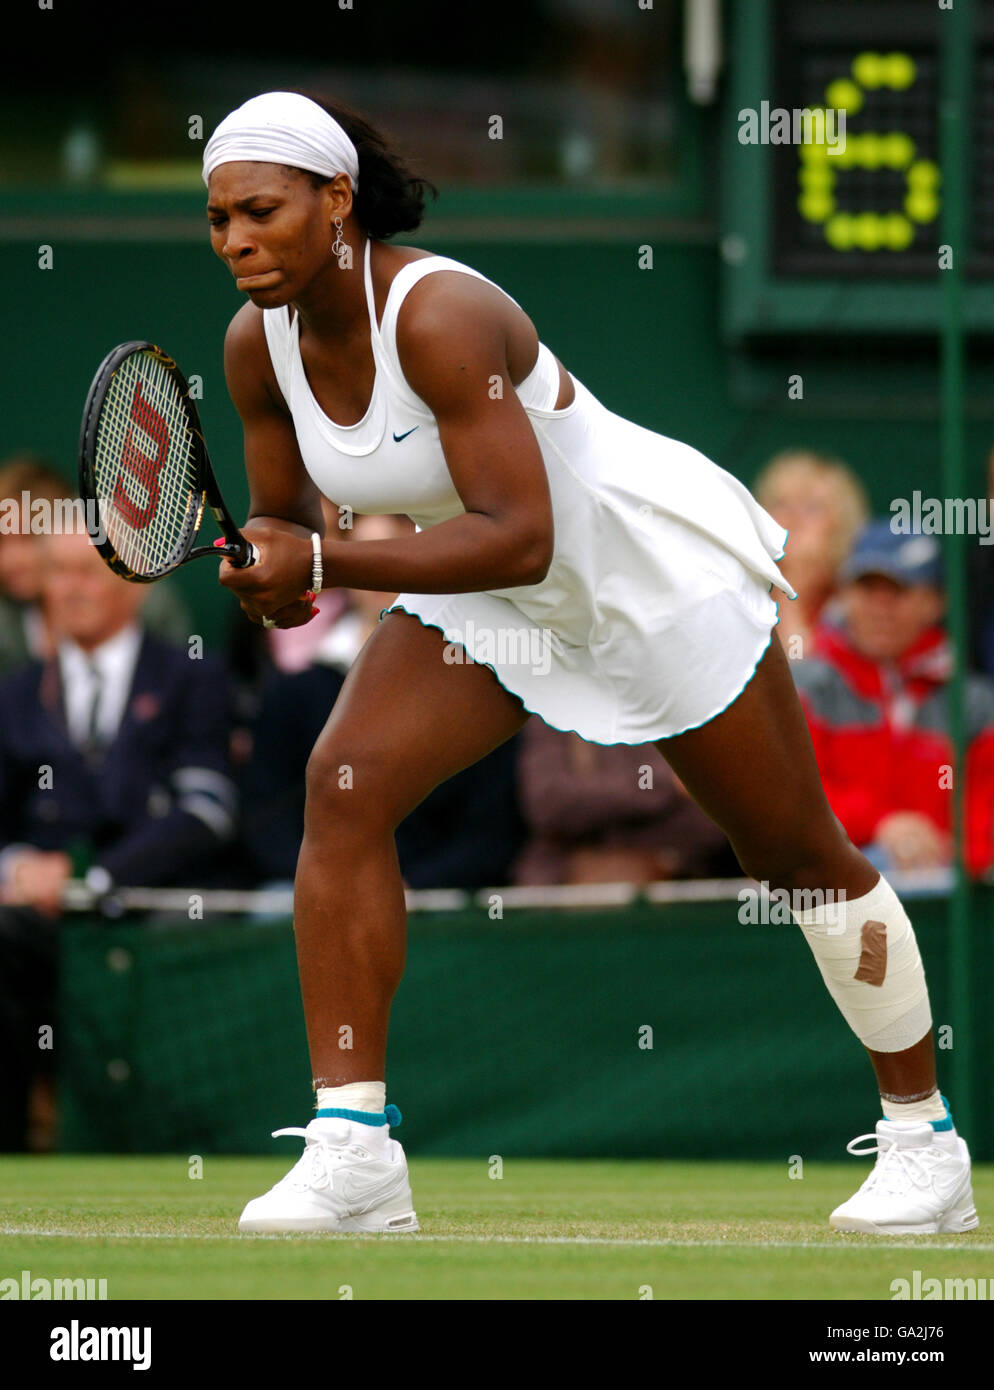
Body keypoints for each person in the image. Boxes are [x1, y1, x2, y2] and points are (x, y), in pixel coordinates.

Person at [202, 90, 977, 1238]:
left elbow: (524, 527)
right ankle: (353, 1144)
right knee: (343, 786)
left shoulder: (445, 315)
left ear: (335, 200)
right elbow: (286, 523)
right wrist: (277, 568)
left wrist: (323, 552)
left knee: (794, 851)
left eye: (259, 211)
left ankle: (924, 1142)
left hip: (638, 575)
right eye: (216, 220)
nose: (235, 241)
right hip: (489, 596)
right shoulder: (252, 349)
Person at [0, 525, 237, 1150]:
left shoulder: (193, 676)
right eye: (59, 573)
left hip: (163, 911)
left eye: (91, 570)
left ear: (135, 587)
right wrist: (19, 868)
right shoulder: (14, 697)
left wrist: (94, 880)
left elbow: (207, 810)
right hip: (36, 925)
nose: (73, 588)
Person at [792, 520, 994, 877]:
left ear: (934, 603)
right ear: (845, 596)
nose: (880, 608)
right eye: (867, 590)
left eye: (898, 592)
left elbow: (983, 820)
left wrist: (946, 853)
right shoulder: (805, 687)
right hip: (826, 891)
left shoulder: (975, 705)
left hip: (942, 892)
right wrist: (883, 825)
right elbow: (790, 801)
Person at [753, 449, 870, 662]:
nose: (793, 519)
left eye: (812, 508)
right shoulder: (744, 590)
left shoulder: (857, 599)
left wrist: (791, 595)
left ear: (841, 526)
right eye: (781, 504)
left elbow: (799, 673)